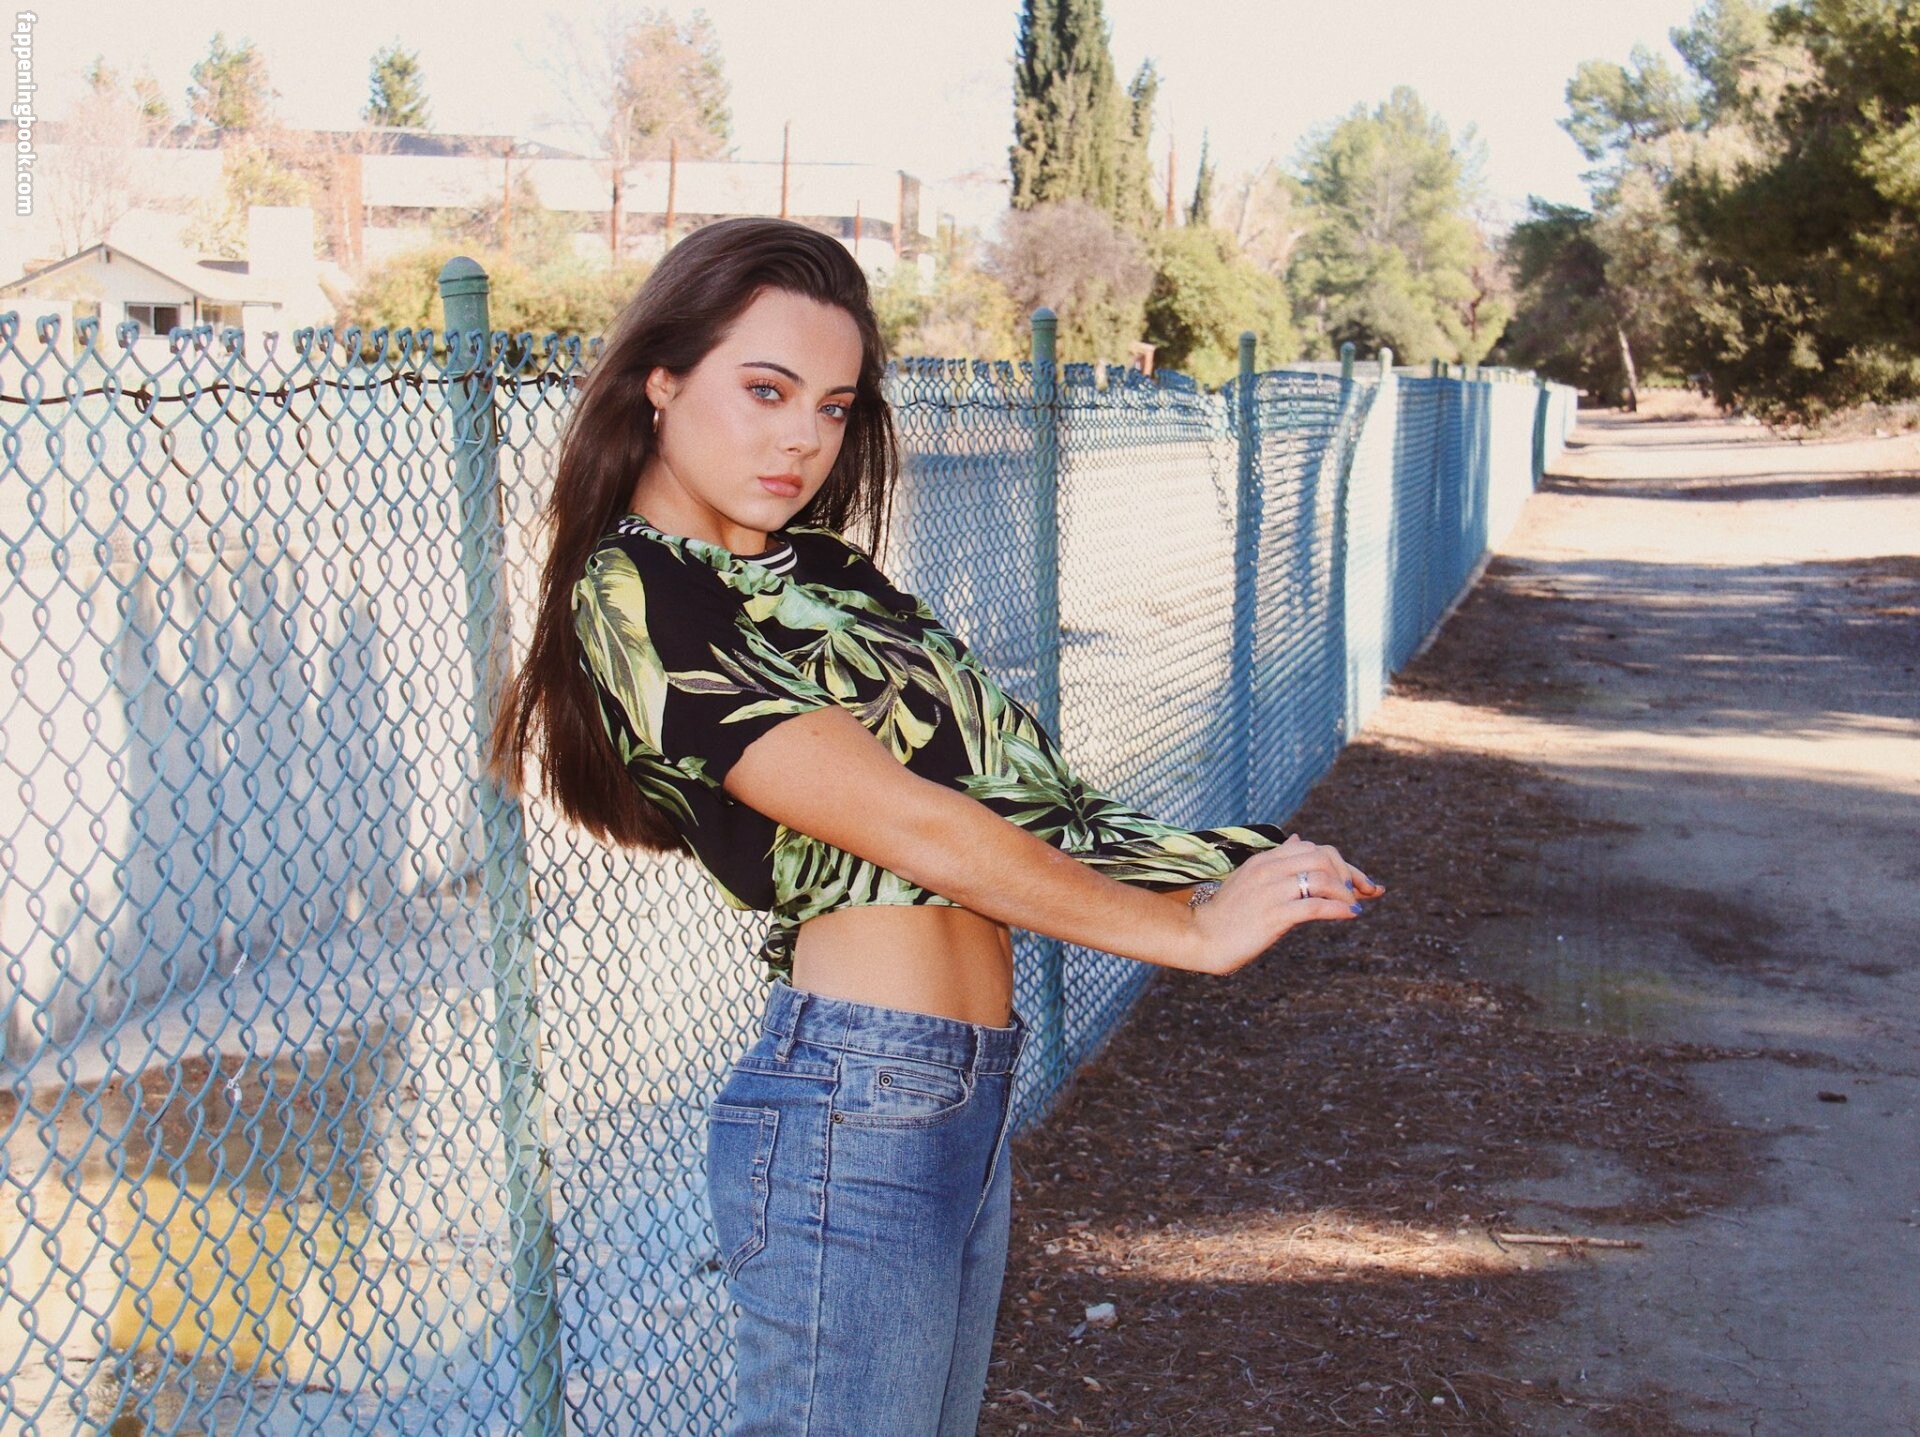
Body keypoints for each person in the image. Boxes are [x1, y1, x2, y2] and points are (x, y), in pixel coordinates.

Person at [488, 216, 1385, 1437]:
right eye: (765, 390)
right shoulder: (639, 593)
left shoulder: (828, 575)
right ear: (662, 381)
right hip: (855, 1098)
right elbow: (915, 828)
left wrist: (1228, 864)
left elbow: (1023, 800)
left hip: (959, 1088)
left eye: (834, 407)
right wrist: (1183, 935)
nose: (802, 439)